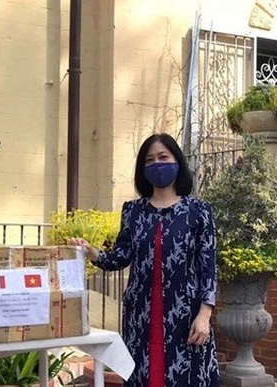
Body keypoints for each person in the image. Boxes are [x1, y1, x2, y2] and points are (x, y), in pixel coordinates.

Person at [69, 133, 219, 386]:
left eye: (163, 157)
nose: (157, 164)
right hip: (141, 314)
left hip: (185, 314)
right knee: (144, 376)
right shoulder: (133, 211)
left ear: (177, 162)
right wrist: (92, 252)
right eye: (149, 160)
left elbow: (208, 267)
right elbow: (120, 256)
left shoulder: (198, 212)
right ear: (142, 168)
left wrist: (204, 315)